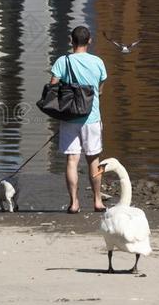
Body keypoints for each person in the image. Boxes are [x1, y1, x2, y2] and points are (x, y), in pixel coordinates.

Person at [49, 26, 107, 213]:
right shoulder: (98, 61)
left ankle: (74, 203)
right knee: (94, 160)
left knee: (72, 160)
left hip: (70, 117)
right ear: (89, 40)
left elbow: (53, 87)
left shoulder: (62, 61)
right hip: (92, 116)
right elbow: (100, 88)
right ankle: (98, 201)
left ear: (70, 40)